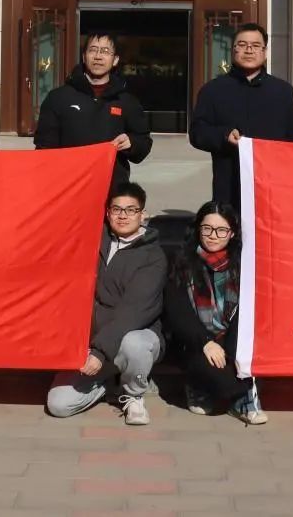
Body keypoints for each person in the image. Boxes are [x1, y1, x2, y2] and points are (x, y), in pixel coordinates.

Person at [46, 182, 166, 426]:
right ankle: (109, 382)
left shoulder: (153, 258)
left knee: (135, 345)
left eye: (131, 210)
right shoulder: (91, 241)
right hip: (91, 344)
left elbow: (132, 313)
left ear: (143, 214)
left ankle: (133, 393)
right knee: (59, 404)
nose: (123, 216)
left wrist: (99, 352)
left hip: (128, 337)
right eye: (117, 209)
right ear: (108, 213)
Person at [163, 201, 267, 425]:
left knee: (242, 362)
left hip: (231, 340)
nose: (213, 236)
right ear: (198, 229)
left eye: (221, 230)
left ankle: (239, 397)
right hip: (195, 342)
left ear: (232, 233)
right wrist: (206, 342)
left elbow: (247, 311)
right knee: (221, 379)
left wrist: (233, 347)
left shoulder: (244, 263)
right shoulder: (181, 261)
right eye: (207, 228)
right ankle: (213, 389)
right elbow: (177, 311)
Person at [189, 23, 293, 208]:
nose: (249, 50)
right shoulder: (213, 90)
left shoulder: (283, 91)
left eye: (256, 45)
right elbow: (197, 133)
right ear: (233, 50)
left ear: (265, 52)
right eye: (242, 45)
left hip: (272, 187)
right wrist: (224, 135)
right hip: (228, 187)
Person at [33, 32, 152, 187]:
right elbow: (44, 149)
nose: (98, 56)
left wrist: (132, 142)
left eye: (105, 51)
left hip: (112, 186)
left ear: (115, 60)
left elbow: (143, 143)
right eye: (93, 50)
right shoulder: (58, 98)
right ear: (84, 57)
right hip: (69, 186)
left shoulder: (126, 101)